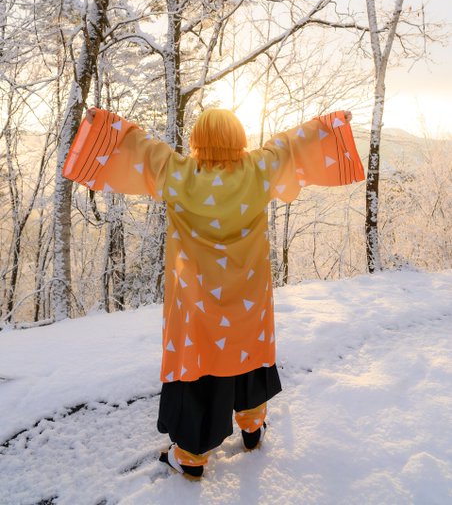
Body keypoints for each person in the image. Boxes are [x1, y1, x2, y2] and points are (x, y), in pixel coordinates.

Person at [62, 105, 364, 480]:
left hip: (196, 304)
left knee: (200, 367)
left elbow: (138, 146)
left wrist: (103, 125)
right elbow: (294, 144)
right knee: (249, 354)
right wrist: (332, 124)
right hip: (248, 298)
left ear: (198, 140)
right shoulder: (258, 170)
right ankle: (252, 428)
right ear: (238, 139)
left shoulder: (179, 175)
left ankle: (191, 457)